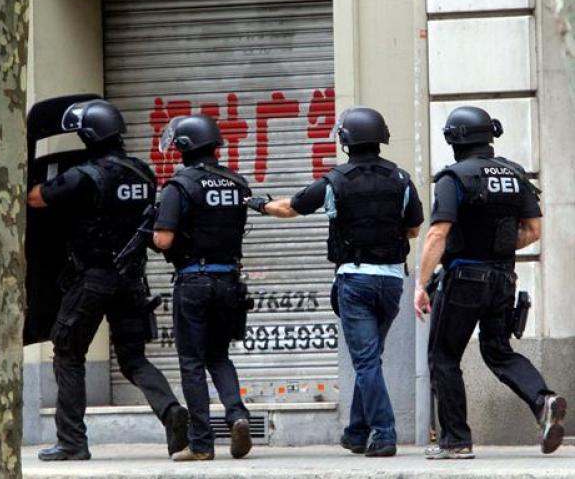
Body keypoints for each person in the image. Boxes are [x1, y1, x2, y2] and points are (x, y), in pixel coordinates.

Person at [247, 106, 423, 457]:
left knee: (366, 360)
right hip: (391, 282)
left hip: (355, 280)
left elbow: (291, 208)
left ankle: (384, 433)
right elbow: (415, 228)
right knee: (370, 357)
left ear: (345, 139)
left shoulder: (335, 181)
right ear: (380, 137)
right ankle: (357, 432)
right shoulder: (401, 179)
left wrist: (260, 205)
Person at [27, 98, 188, 461]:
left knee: (68, 353)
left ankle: (71, 442)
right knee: (133, 359)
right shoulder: (144, 173)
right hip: (131, 281)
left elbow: (36, 198)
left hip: (92, 280)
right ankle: (171, 412)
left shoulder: (84, 176)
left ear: (87, 136)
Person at [413, 106, 566, 459]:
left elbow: (438, 233)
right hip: (503, 279)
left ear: (455, 138)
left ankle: (456, 442)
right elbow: (533, 230)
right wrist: (495, 246)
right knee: (498, 351)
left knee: (444, 356)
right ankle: (544, 400)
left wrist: (420, 284)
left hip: (465, 278)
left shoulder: (454, 177)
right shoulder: (515, 175)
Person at [152, 114, 255, 462]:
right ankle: (238, 416)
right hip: (228, 281)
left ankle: (201, 444)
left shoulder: (179, 186)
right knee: (219, 356)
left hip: (194, 281)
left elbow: (164, 239)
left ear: (183, 147)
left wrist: (153, 228)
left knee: (192, 362)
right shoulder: (236, 183)